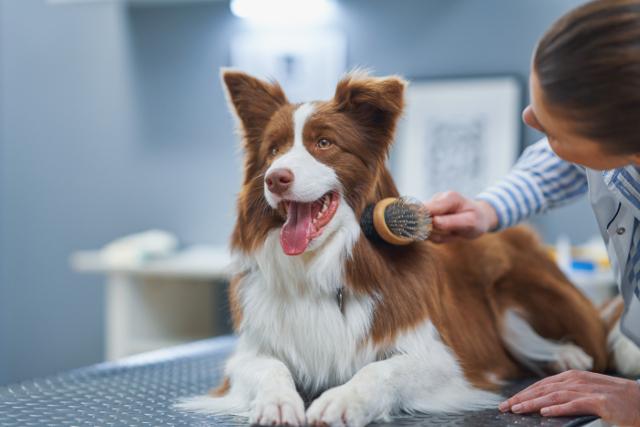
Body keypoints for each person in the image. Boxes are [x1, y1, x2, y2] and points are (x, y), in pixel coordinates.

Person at [424, 0, 640, 425]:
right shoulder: (613, 135)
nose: (528, 118)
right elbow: (560, 163)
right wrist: (485, 210)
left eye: (551, 128)